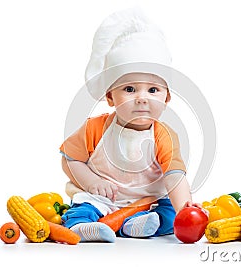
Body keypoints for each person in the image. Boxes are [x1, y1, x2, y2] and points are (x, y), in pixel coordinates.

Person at [59, 8, 202, 242]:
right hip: (102, 200)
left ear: (166, 98)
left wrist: (186, 208)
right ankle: (83, 227)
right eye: (129, 89)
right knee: (83, 207)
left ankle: (133, 226)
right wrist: (92, 182)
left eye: (153, 90)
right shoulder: (95, 128)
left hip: (148, 202)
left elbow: (174, 176)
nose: (141, 98)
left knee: (167, 213)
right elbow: (69, 158)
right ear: (110, 97)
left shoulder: (163, 135)